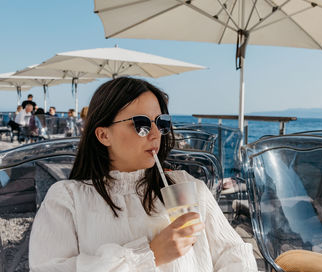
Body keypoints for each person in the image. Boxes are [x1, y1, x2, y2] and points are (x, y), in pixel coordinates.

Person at [29, 77, 258, 271]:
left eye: (161, 122)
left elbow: (234, 254)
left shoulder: (188, 187)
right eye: (141, 124)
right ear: (103, 135)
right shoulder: (68, 199)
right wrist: (149, 256)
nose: (156, 133)